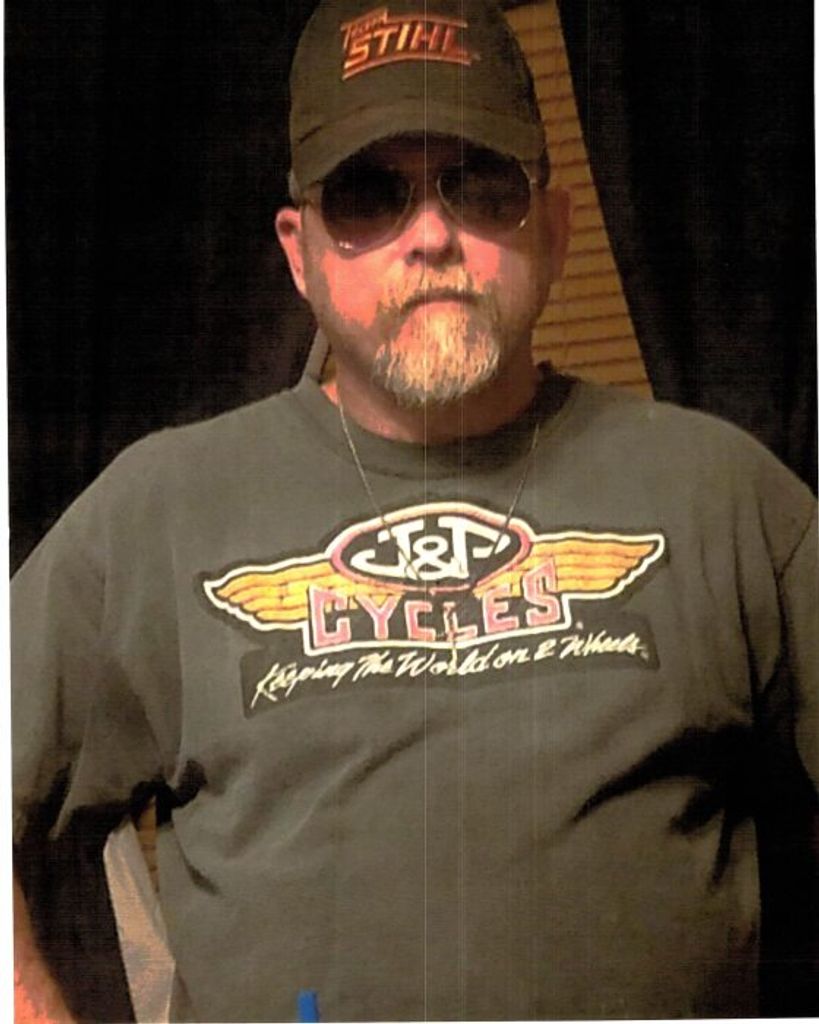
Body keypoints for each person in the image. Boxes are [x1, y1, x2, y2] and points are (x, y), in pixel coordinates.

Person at [12, 0, 818, 1020]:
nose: (432, 235)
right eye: (368, 195)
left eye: (479, 186)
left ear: (555, 228)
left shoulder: (723, 493)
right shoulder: (159, 512)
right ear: (300, 254)